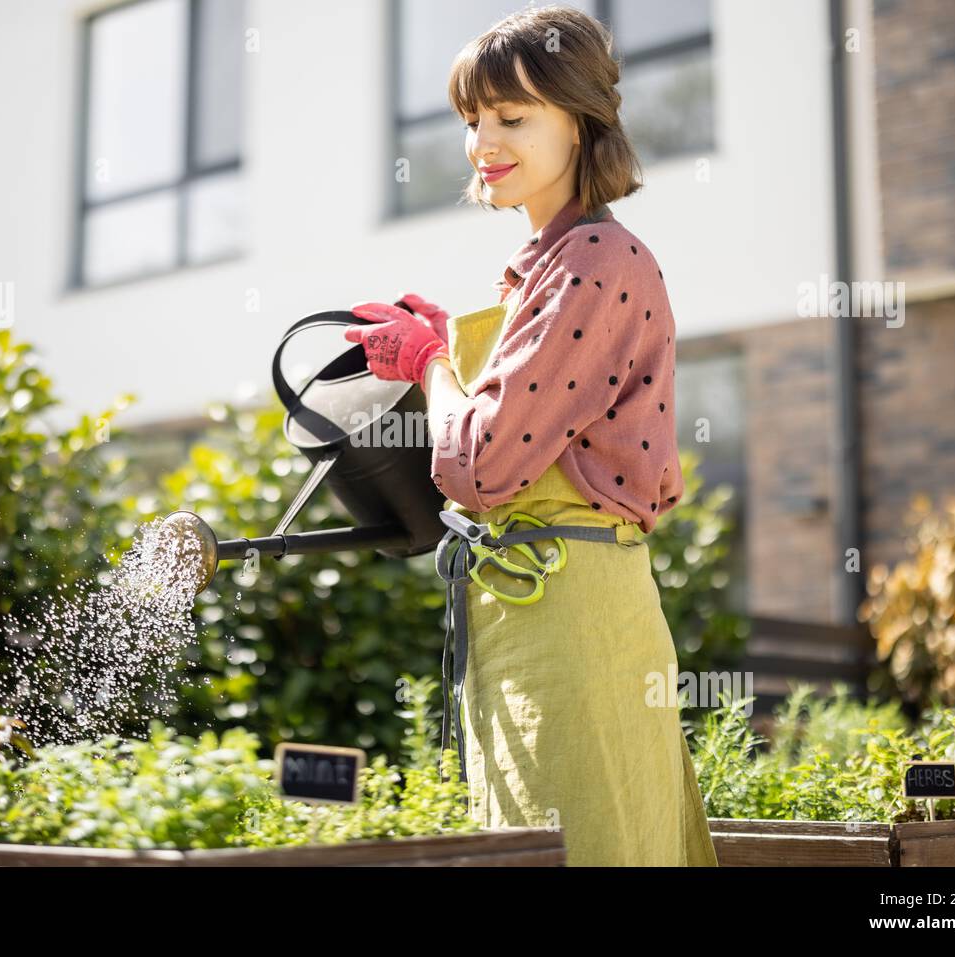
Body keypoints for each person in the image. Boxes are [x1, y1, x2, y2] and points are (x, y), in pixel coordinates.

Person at [343, 6, 718, 867]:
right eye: (473, 119)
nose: (484, 140)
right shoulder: (547, 267)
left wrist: (433, 361)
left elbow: (481, 465)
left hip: (574, 617)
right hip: (531, 601)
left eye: (513, 117)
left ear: (581, 118)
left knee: (581, 846)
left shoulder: (594, 261)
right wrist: (439, 344)